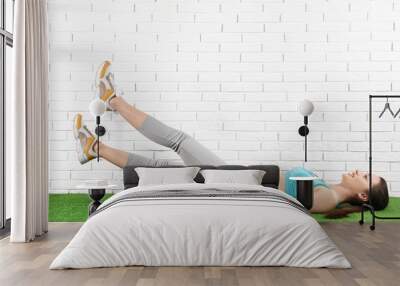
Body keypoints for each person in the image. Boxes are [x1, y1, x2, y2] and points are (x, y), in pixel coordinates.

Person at [73, 61, 389, 216]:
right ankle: (93, 147)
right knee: (159, 166)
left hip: (234, 180)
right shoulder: (328, 190)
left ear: (362, 196)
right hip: (234, 176)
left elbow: (281, 203)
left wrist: (232, 183)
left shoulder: (326, 198)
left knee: (179, 141)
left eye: (366, 178)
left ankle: (113, 100)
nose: (360, 171)